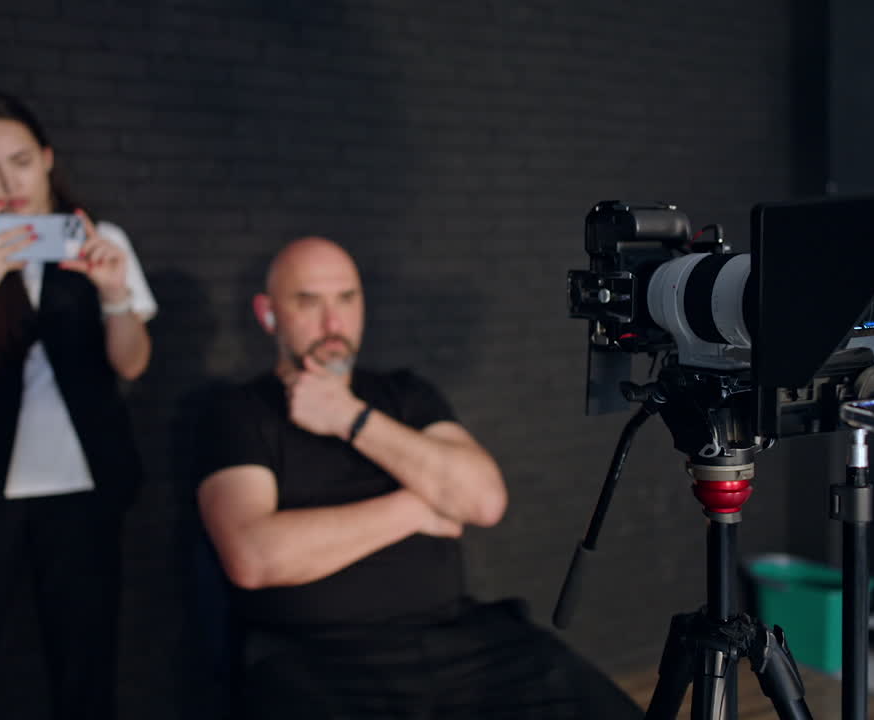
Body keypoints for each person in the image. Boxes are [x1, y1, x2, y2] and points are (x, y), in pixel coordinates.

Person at [197, 236, 643, 719]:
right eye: (309, 301)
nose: (333, 323)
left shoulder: (404, 395)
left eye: (347, 298)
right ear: (268, 315)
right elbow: (254, 557)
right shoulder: (239, 412)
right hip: (316, 660)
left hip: (463, 643)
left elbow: (484, 501)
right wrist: (418, 507)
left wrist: (349, 417)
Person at [0, 92, 157, 719]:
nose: (8, 182)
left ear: (47, 158)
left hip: (85, 483)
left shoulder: (102, 240)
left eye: (20, 161)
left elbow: (131, 363)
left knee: (85, 668)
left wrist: (112, 293)